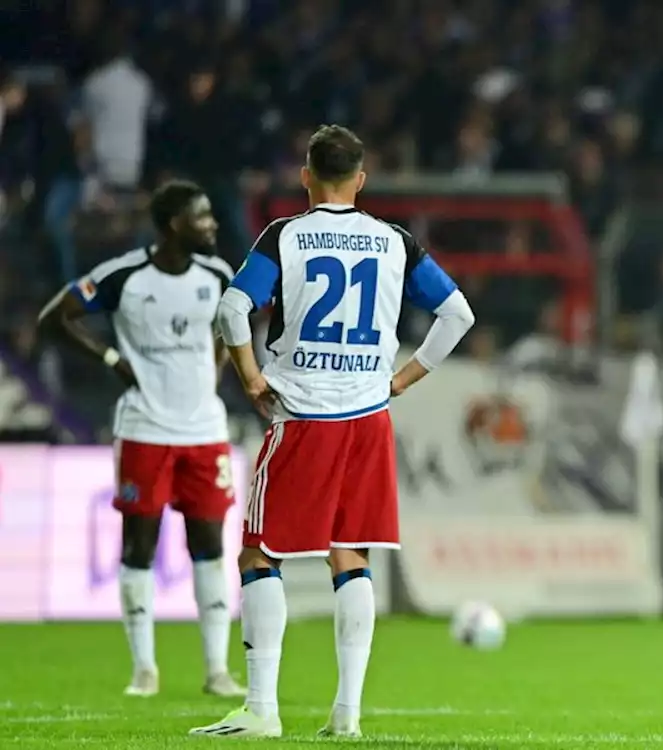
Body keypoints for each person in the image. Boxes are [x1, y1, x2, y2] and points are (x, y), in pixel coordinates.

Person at [191, 125, 475, 739]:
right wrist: (404, 378)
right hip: (368, 418)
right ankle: (346, 714)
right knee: (350, 557)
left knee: (259, 553)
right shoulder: (395, 241)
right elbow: (458, 314)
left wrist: (248, 376)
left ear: (306, 176)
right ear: (362, 179)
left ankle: (262, 709)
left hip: (303, 417)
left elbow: (233, 307)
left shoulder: (285, 235)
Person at [37, 180, 244, 699]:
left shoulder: (218, 275)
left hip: (204, 431)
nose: (213, 226)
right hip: (145, 430)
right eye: (203, 217)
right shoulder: (124, 275)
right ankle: (144, 669)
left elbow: (231, 328)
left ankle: (217, 670)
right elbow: (53, 318)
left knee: (209, 546)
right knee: (139, 546)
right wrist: (111, 359)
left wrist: (218, 366)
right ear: (175, 224)